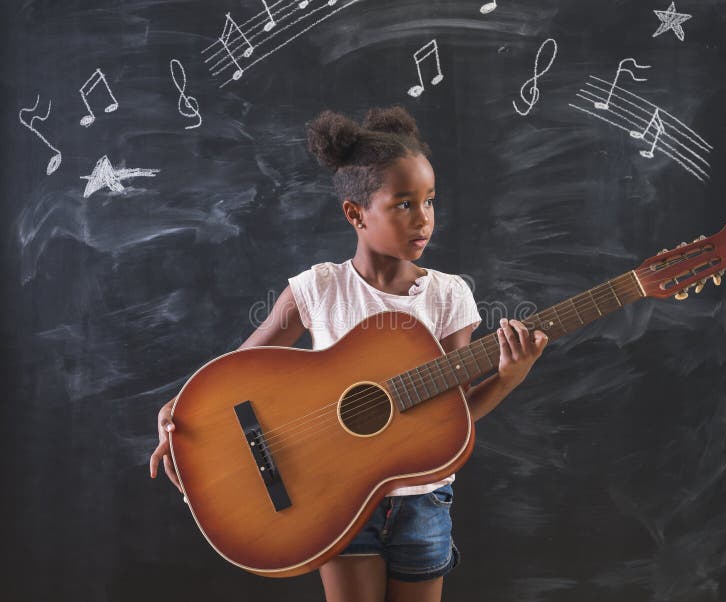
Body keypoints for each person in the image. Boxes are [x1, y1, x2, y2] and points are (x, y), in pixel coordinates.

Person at [150, 105, 548, 602]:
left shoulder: (449, 296)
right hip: (331, 497)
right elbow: (235, 372)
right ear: (355, 213)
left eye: (430, 201)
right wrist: (181, 411)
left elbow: (453, 417)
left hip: (423, 502)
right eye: (404, 204)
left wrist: (509, 377)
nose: (423, 219)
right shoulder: (318, 288)